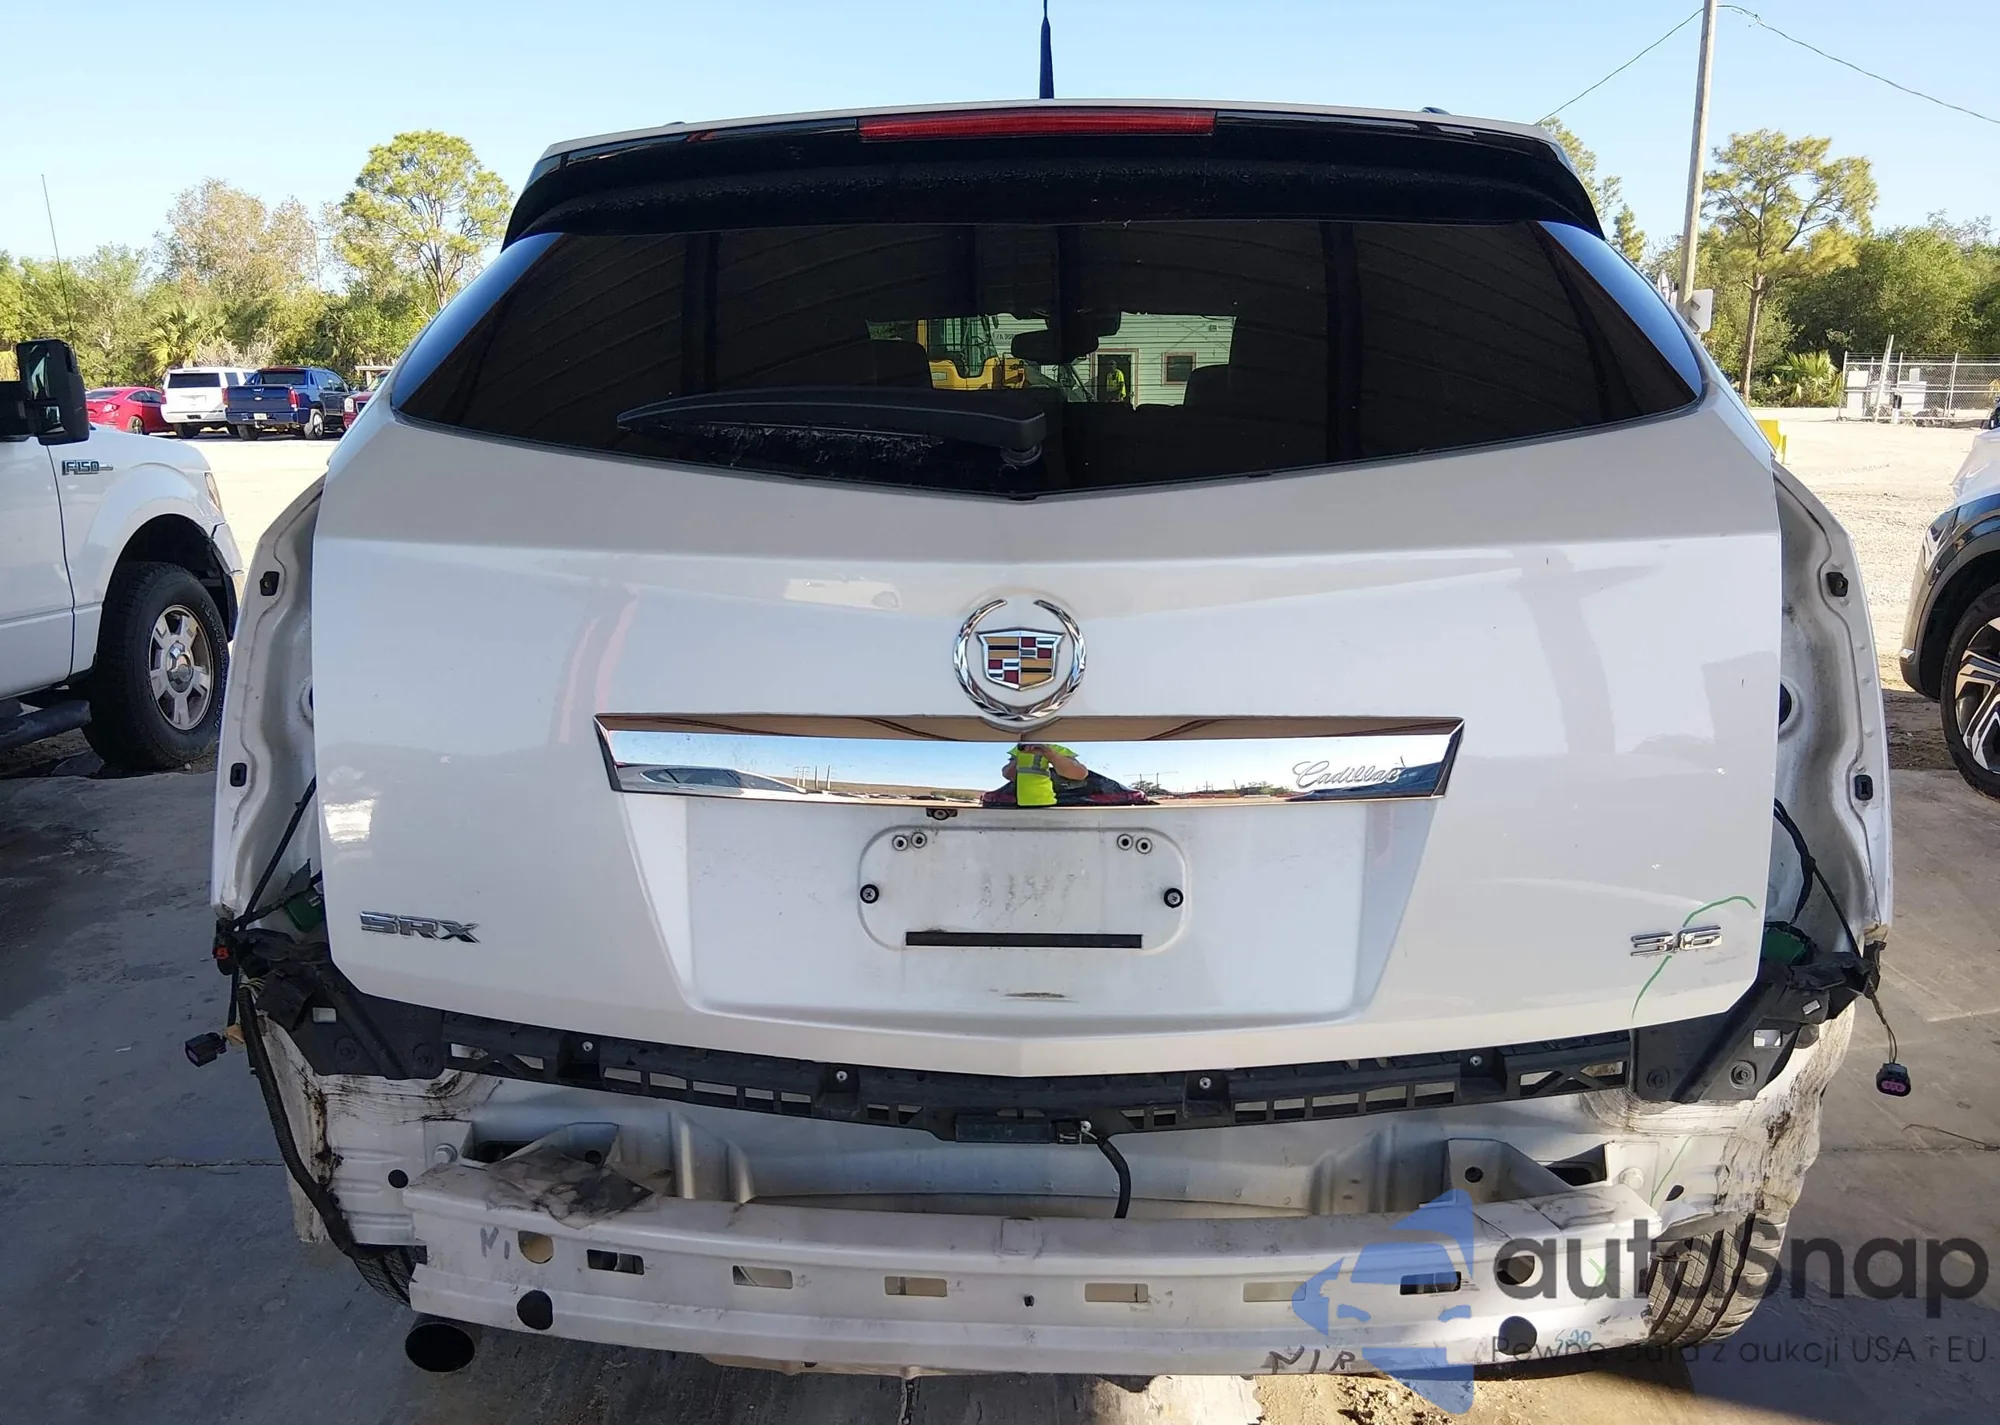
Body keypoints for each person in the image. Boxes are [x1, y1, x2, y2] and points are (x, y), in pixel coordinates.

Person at [1000, 742, 1089, 807]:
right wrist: (1019, 757)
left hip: (1047, 804)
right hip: (1020, 806)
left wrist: (1051, 755)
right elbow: (1008, 774)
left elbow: (1080, 774)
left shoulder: (1056, 748)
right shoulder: (1019, 748)